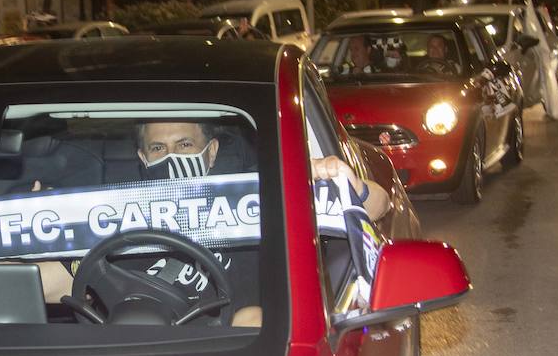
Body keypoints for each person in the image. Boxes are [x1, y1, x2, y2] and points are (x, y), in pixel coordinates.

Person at [128, 120, 388, 328]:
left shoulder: (251, 197)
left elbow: (378, 206)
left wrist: (343, 181)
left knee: (252, 318)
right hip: (135, 343)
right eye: (158, 148)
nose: (171, 157)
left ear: (212, 152)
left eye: (184, 145)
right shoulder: (114, 213)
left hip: (228, 348)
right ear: (143, 157)